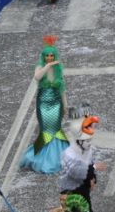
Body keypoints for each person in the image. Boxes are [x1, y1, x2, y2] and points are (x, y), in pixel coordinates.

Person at [21, 36, 70, 174]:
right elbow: (37, 77)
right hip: (43, 102)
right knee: (46, 129)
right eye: (47, 56)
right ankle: (41, 157)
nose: (49, 57)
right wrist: (47, 66)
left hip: (57, 102)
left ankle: (58, 156)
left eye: (51, 55)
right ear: (44, 57)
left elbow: (62, 88)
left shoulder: (58, 69)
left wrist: (65, 104)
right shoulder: (40, 67)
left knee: (56, 128)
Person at [59, 114, 102, 210]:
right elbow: (78, 172)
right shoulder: (71, 154)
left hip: (82, 190)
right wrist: (93, 170)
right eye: (87, 140)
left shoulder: (85, 149)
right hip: (74, 194)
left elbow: (89, 165)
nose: (89, 143)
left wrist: (93, 179)